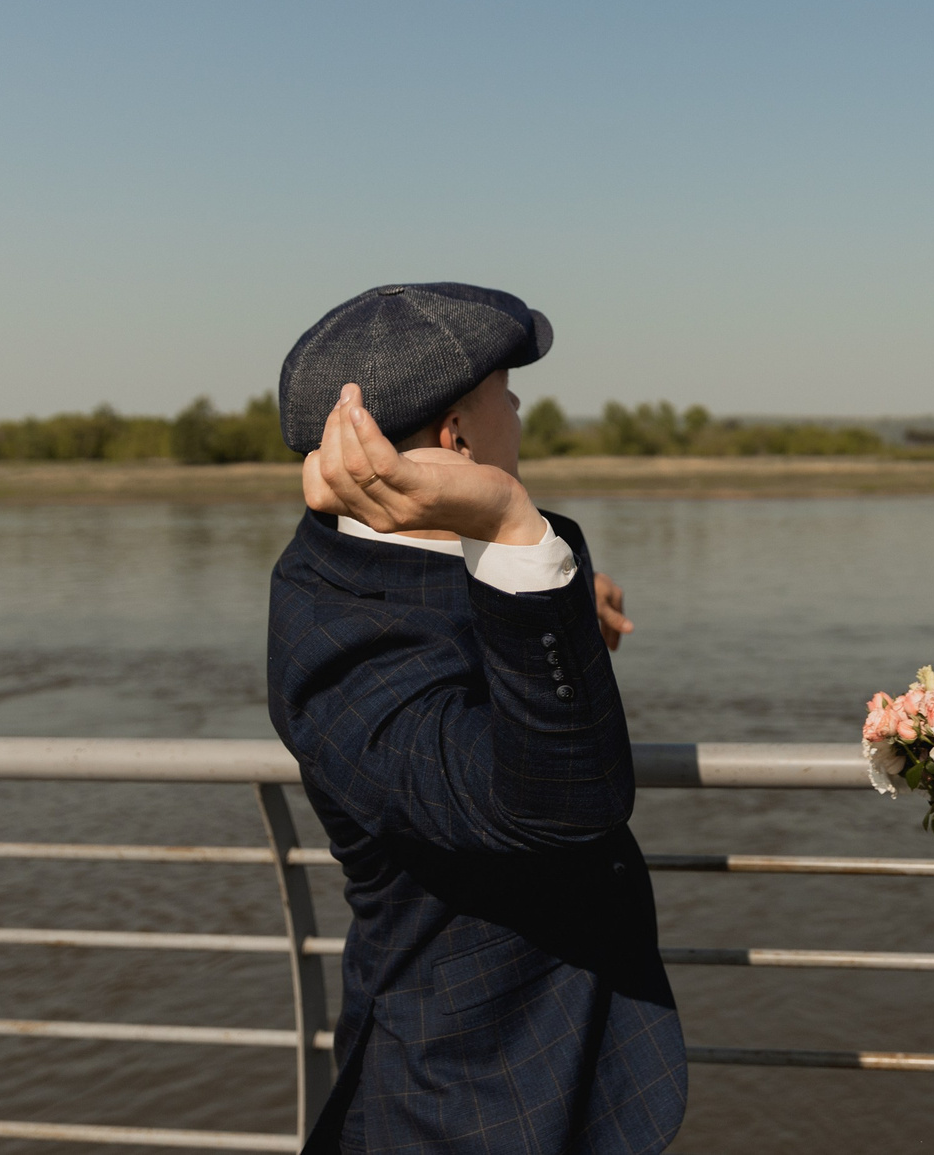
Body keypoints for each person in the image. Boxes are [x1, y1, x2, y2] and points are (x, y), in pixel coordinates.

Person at [266, 282, 684, 1155]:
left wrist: (564, 604)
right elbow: (557, 806)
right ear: (458, 434)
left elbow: (507, 606)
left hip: (589, 1071)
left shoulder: (480, 550)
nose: (522, 418)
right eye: (510, 399)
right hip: (465, 1101)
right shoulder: (333, 632)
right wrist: (511, 531)